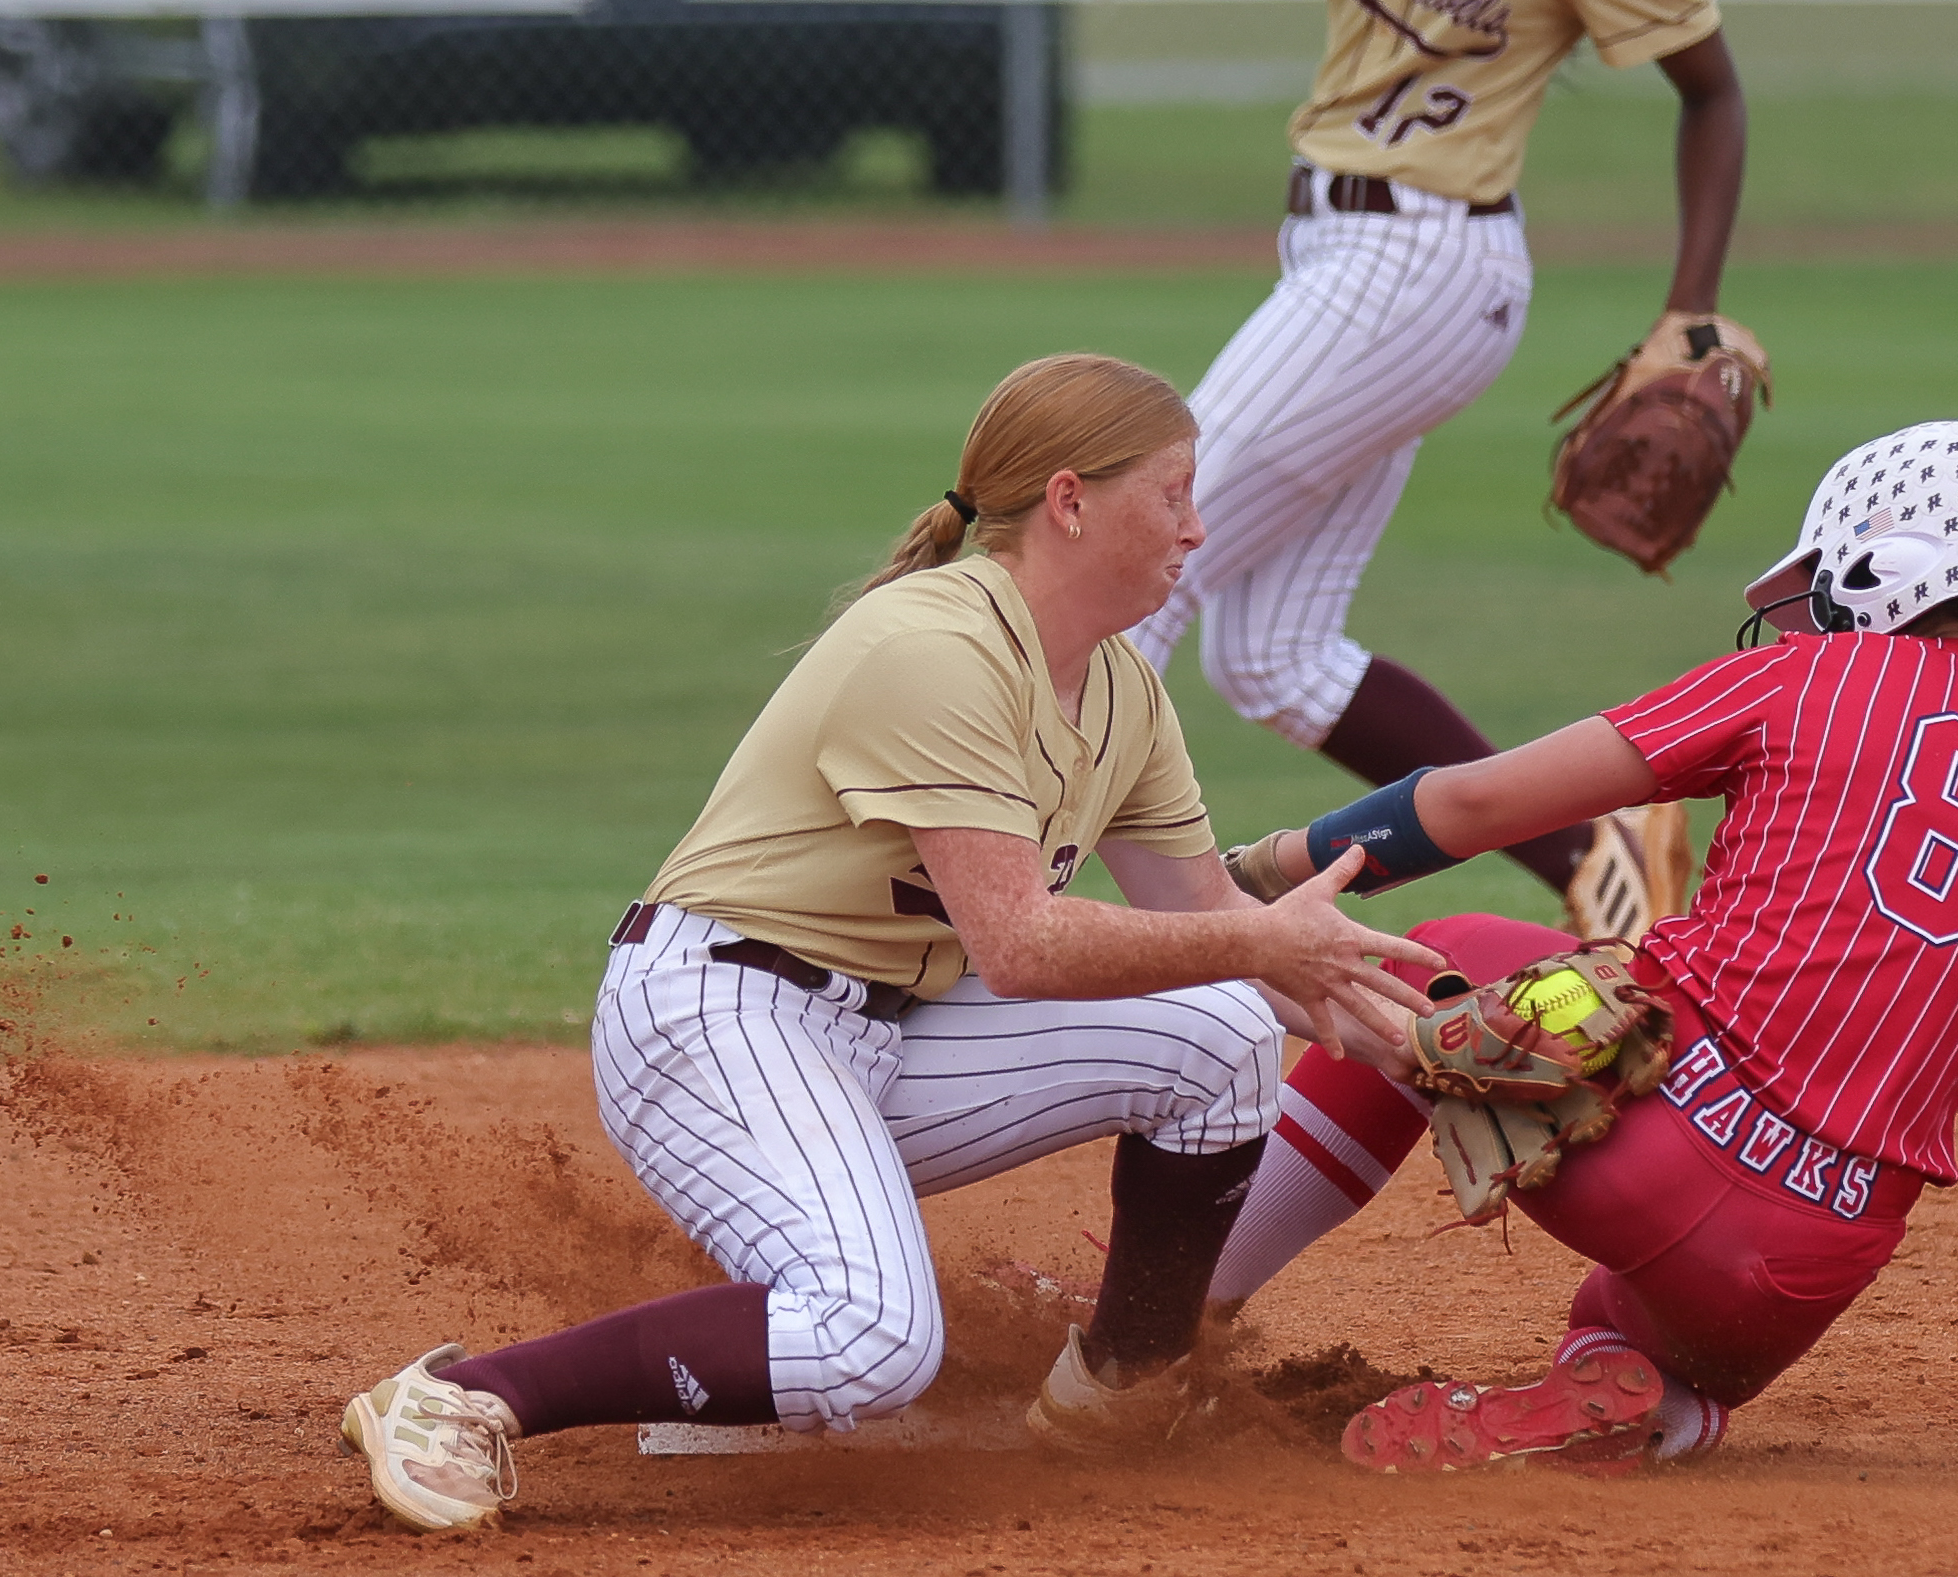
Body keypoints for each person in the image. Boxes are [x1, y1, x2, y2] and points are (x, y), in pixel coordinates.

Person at [337, 354, 1441, 1532]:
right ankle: (467, 1397)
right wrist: (1267, 945)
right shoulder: (934, 648)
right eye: (1172, 493)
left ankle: (1121, 1396)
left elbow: (1209, 926)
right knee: (870, 1339)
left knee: (1218, 1032)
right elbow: (1022, 945)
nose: (1197, 526)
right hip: (716, 1017)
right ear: (1070, 501)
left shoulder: (1119, 688)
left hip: (891, 1032)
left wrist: (1433, 1047)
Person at [1201, 423, 1958, 1482]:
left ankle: (1175, 1310)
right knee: (1623, 1325)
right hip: (1796, 1277)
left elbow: (1475, 803)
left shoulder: (1806, 677)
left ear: (1889, 567)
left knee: (1434, 954)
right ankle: (1668, 1404)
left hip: (1645, 1153)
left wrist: (1256, 875)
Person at [1092, 0, 1744, 943]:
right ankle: (1596, 851)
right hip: (1337, 253)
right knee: (1270, 657)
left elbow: (1713, 95)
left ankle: (1084, 923)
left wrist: (1688, 310)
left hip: (1421, 266)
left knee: (1136, 568)